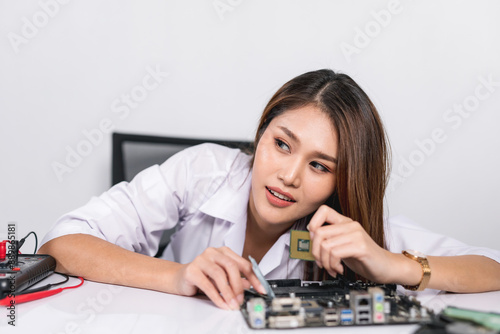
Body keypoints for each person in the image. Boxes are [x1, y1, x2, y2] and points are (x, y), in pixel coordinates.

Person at [39, 69, 500, 311]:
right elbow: (63, 244)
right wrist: (177, 278)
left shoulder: (345, 232)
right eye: (282, 144)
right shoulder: (204, 170)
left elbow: (492, 270)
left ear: (343, 183)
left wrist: (390, 264)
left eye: (319, 165)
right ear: (260, 134)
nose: (289, 176)